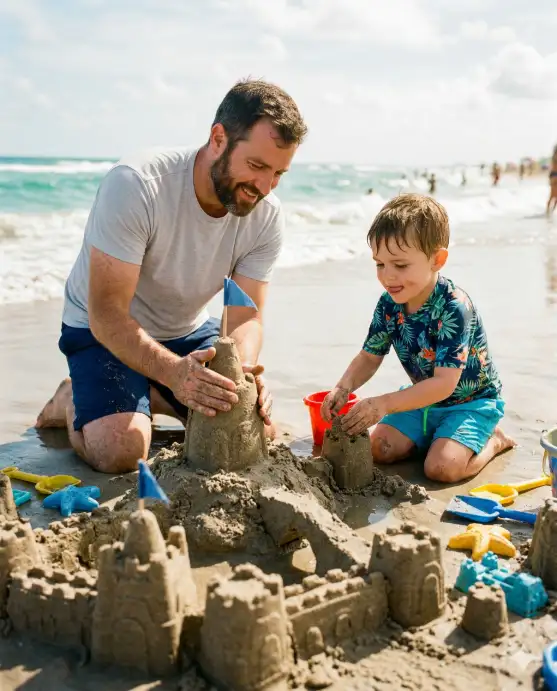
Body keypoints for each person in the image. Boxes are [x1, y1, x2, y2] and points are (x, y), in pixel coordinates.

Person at [36, 79, 307, 473]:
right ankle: (71, 397)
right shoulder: (137, 185)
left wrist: (240, 374)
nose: (264, 187)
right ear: (218, 139)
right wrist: (174, 374)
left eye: (279, 173)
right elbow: (107, 315)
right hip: (101, 330)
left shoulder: (267, 215)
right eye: (257, 166)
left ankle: (146, 392)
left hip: (184, 329)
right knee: (121, 450)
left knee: (253, 432)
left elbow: (247, 317)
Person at [321, 194, 515, 483]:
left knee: (441, 469)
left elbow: (444, 384)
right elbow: (369, 356)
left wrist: (384, 403)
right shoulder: (389, 304)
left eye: (400, 265)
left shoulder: (454, 307)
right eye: (379, 264)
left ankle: (493, 442)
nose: (388, 277)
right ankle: (435, 439)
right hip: (424, 399)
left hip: (470, 402)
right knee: (378, 449)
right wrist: (343, 386)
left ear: (437, 260)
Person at [546, 145, 557, 218]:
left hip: (553, 175)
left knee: (553, 196)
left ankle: (550, 212)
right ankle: (548, 212)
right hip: (554, 175)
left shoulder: (554, 156)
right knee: (553, 195)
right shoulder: (555, 156)